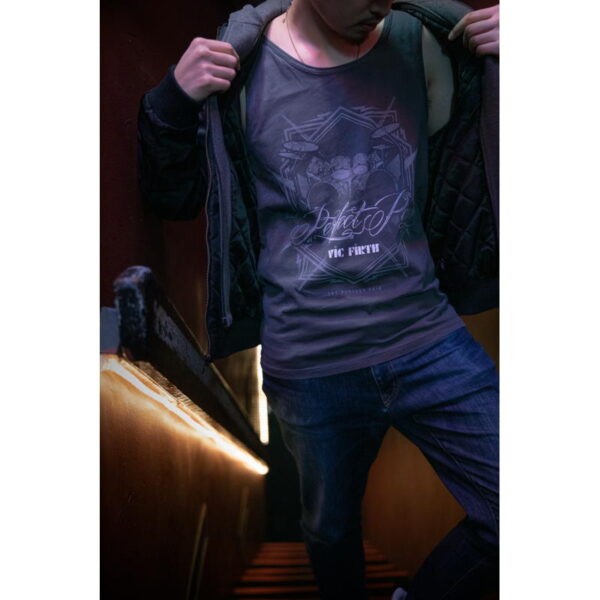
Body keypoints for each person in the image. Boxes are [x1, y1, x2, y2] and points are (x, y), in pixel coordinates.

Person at [137, 1, 500, 598]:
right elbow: (171, 197)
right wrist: (173, 100)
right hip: (310, 365)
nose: (379, 4)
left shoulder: (423, 41)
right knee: (330, 534)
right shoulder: (242, 65)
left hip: (427, 339)